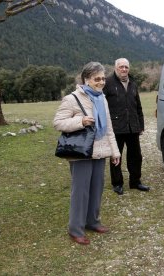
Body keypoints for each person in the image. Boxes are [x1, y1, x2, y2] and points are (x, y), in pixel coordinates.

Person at [54, 62, 120, 245]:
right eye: (96, 79)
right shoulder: (72, 99)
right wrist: (81, 121)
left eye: (102, 78)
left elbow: (109, 128)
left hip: (100, 151)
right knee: (80, 192)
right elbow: (58, 122)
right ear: (86, 80)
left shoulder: (102, 98)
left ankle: (93, 221)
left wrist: (115, 151)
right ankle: (75, 229)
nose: (101, 82)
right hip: (81, 151)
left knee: (96, 189)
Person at [103, 58, 150, 195]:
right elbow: (103, 106)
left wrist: (140, 124)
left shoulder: (133, 84)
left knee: (136, 156)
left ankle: (135, 181)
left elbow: (138, 106)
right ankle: (117, 183)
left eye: (126, 67)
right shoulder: (108, 83)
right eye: (121, 67)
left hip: (132, 127)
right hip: (116, 127)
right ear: (116, 68)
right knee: (116, 157)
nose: (124, 69)